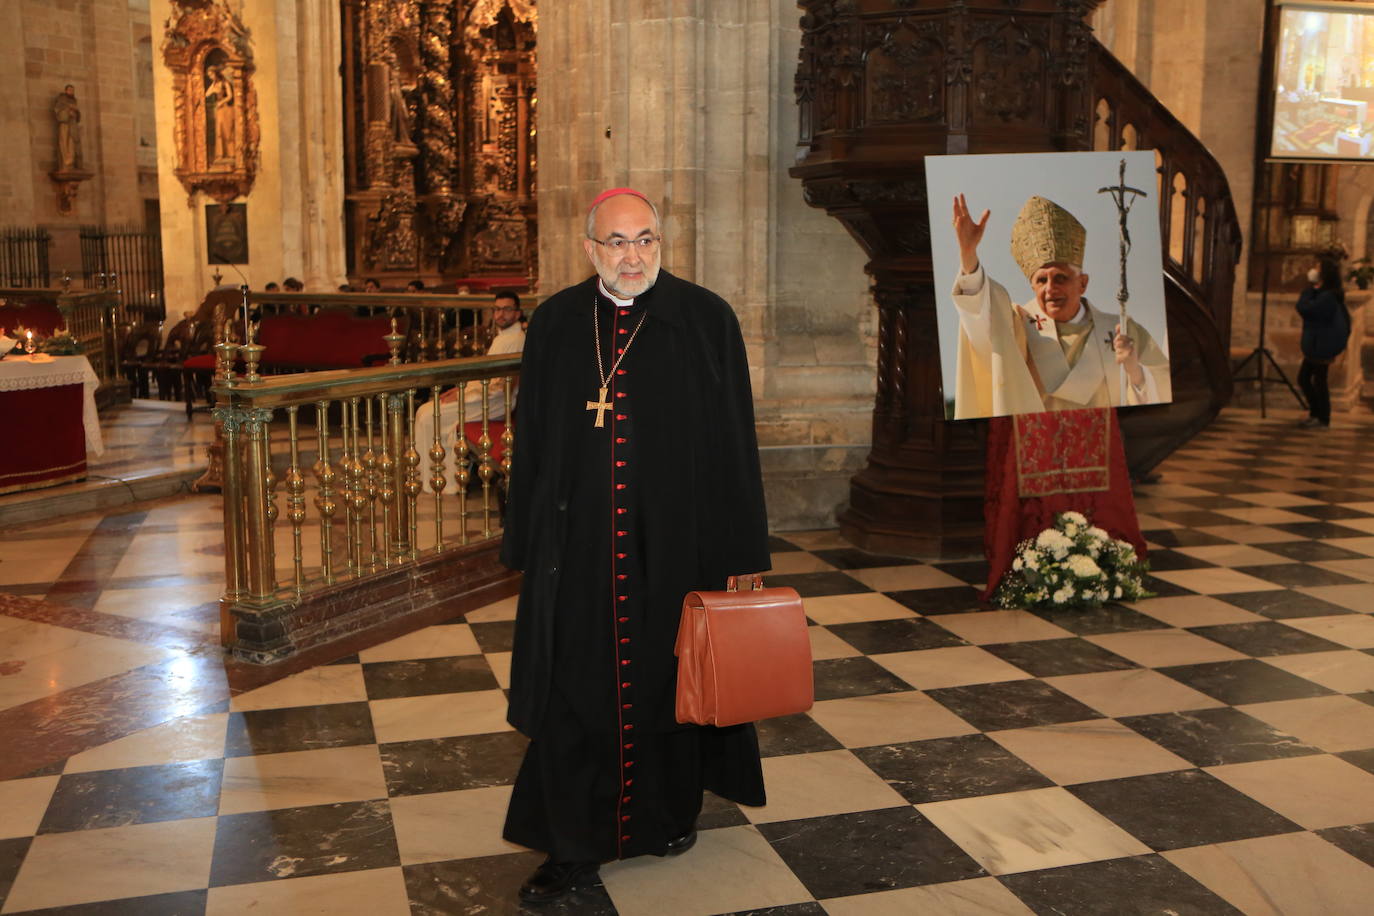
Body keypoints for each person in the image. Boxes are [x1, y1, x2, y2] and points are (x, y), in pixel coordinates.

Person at [499, 188, 770, 903]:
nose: (633, 256)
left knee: (667, 690)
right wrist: (526, 539)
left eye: (645, 239)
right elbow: (531, 441)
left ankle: (668, 813)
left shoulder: (705, 319)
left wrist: (742, 558)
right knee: (574, 694)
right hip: (578, 554)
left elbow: (736, 443)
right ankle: (570, 847)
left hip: (677, 550)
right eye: (617, 242)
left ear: (661, 243)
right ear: (590, 249)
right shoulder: (557, 323)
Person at [949, 193, 1171, 419]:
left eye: (1061, 278)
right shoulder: (1017, 325)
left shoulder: (1123, 330)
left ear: (1083, 283)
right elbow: (980, 320)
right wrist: (969, 257)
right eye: (1041, 280)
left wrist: (1136, 372)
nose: (1050, 289)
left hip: (1104, 444)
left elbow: (1166, 397)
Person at [413, 290, 526, 491]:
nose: (501, 314)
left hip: (496, 403)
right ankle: (428, 478)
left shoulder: (517, 339)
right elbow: (486, 376)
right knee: (424, 411)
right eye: (497, 309)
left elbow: (501, 387)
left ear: (517, 313)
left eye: (507, 309)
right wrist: (459, 389)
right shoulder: (503, 337)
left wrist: (463, 393)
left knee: (430, 415)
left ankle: (445, 482)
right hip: (482, 396)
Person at [1296, 258, 1352, 428]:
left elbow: (1305, 308)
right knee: (1309, 378)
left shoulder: (1328, 296)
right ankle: (1318, 415)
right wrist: (1313, 290)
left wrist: (1308, 290)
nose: (1314, 270)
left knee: (1313, 379)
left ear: (1324, 273)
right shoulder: (1327, 293)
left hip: (1321, 344)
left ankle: (1321, 417)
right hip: (1318, 343)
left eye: (1317, 267)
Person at [53, 85, 81, 171]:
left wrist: (76, 111)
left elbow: (78, 118)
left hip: (73, 126)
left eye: (72, 90)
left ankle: (73, 164)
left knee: (73, 144)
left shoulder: (74, 101)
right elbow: (58, 112)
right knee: (65, 143)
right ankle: (66, 164)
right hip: (65, 125)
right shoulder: (61, 99)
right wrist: (68, 112)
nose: (71, 91)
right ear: (66, 91)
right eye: (69, 90)